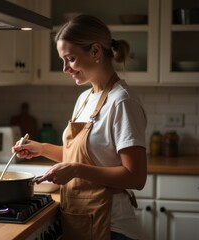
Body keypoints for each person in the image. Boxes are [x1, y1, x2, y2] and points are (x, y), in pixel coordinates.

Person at [12, 14, 147, 240]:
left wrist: (75, 170)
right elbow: (86, 157)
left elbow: (135, 177)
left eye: (71, 59)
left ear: (95, 51)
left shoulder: (122, 102)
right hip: (80, 219)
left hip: (112, 226)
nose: (65, 68)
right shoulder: (85, 97)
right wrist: (42, 148)